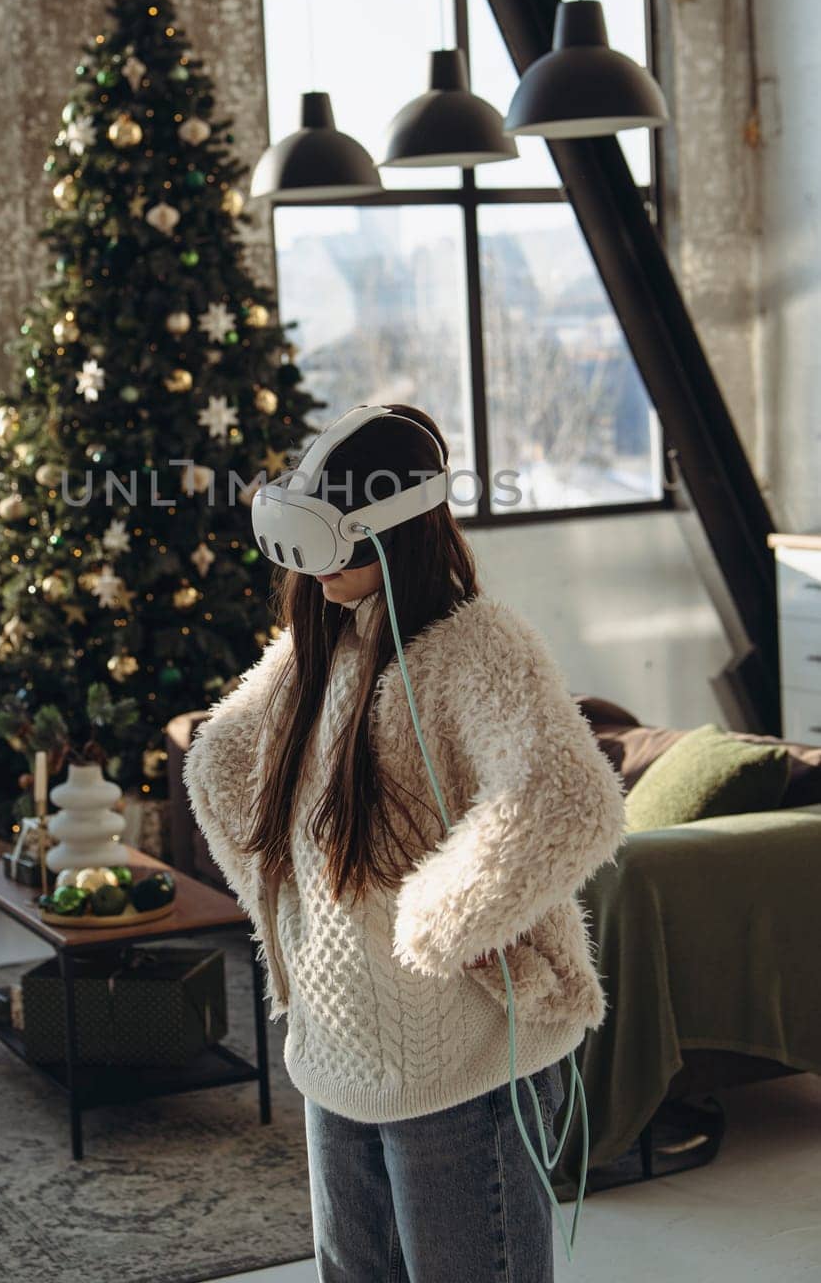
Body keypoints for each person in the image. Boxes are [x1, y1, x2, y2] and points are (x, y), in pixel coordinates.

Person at [183, 404, 626, 1282]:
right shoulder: (322, 641)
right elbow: (221, 759)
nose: (309, 573)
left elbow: (567, 799)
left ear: (396, 532)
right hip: (335, 1051)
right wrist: (282, 901)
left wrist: (436, 920)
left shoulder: (473, 648)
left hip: (457, 1067)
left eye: (331, 549)